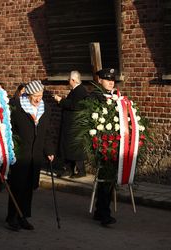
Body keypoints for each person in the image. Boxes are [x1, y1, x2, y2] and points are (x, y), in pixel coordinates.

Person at [6, 80, 54, 231]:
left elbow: (47, 132)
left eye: (41, 95)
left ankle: (23, 217)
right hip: (21, 154)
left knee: (29, 187)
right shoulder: (16, 107)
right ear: (28, 94)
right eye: (36, 95)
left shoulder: (45, 108)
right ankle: (12, 217)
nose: (38, 98)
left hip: (36, 155)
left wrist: (49, 150)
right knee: (17, 186)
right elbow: (9, 130)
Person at [91, 68, 117, 226]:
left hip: (114, 142)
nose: (111, 82)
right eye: (107, 79)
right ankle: (104, 214)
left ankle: (100, 211)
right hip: (103, 143)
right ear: (99, 80)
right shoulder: (95, 97)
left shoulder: (116, 96)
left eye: (112, 79)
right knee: (106, 177)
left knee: (108, 178)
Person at [53, 70, 89, 178]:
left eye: (69, 79)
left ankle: (80, 171)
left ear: (73, 80)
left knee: (74, 149)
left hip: (74, 125)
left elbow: (75, 105)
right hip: (70, 125)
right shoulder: (76, 90)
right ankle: (69, 170)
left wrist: (61, 100)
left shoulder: (80, 90)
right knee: (68, 148)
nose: (68, 81)